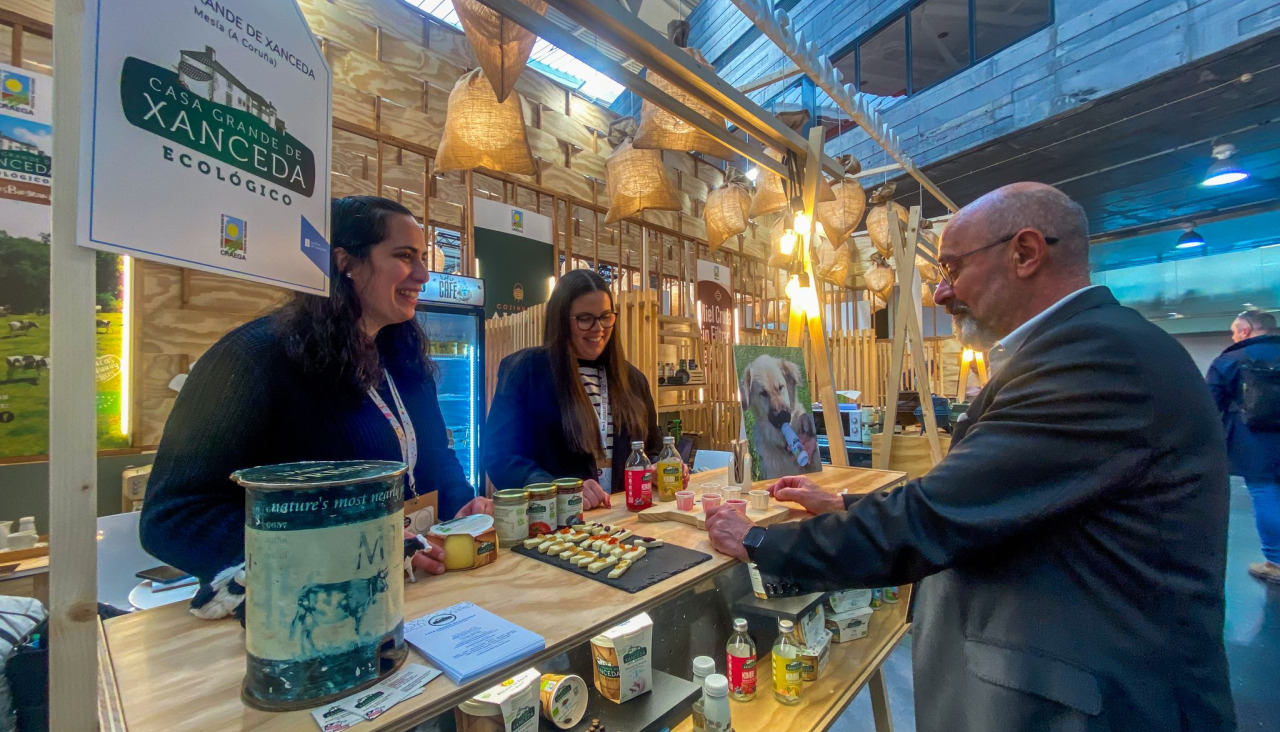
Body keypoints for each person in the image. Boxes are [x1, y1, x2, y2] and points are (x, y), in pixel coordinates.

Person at [706, 183, 1235, 731]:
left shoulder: (1097, 362)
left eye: (952, 269)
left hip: (1099, 707)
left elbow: (939, 515)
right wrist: (840, 500)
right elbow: (994, 495)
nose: (940, 293)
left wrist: (758, 540)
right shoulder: (1083, 350)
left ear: (1025, 253)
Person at [141, 196, 488, 605]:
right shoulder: (253, 358)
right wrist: (339, 547)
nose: (423, 275)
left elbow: (434, 456)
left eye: (422, 257)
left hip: (414, 593)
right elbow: (173, 518)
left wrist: (462, 503)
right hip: (302, 616)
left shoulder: (403, 357)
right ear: (346, 262)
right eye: (405, 256)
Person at [484, 269, 661, 506]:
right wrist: (557, 489)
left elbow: (653, 447)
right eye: (585, 319)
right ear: (561, 320)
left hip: (625, 523)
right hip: (554, 529)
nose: (598, 328)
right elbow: (500, 458)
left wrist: (661, 467)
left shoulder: (633, 379)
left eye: (605, 316)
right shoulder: (525, 371)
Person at [1207, 309, 1280, 584]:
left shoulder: (1230, 360)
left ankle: (1275, 561)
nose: (1233, 336)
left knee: (1266, 493)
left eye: (1234, 331)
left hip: (1254, 442)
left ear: (1246, 331)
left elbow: (1209, 404)